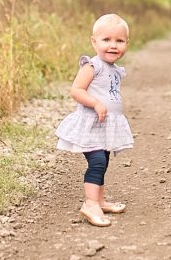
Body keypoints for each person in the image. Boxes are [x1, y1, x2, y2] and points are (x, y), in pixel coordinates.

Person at [55, 13, 135, 227]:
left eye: (119, 41)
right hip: (90, 125)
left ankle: (99, 200)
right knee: (97, 162)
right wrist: (95, 103)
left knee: (104, 161)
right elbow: (76, 90)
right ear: (94, 41)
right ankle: (90, 204)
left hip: (104, 126)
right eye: (106, 40)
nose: (113, 45)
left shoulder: (116, 70)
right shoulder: (92, 65)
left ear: (126, 43)